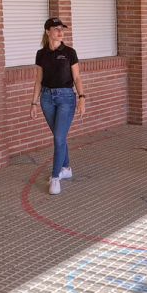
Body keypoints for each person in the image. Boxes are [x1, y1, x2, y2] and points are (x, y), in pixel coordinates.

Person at [30, 17, 86, 195]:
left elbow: (77, 78)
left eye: (62, 29)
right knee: (59, 136)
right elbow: (38, 80)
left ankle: (55, 177)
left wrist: (82, 98)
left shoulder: (70, 52)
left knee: (58, 138)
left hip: (66, 98)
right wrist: (34, 102)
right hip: (47, 98)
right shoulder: (41, 54)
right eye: (56, 29)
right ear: (48, 32)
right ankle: (66, 168)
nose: (60, 32)